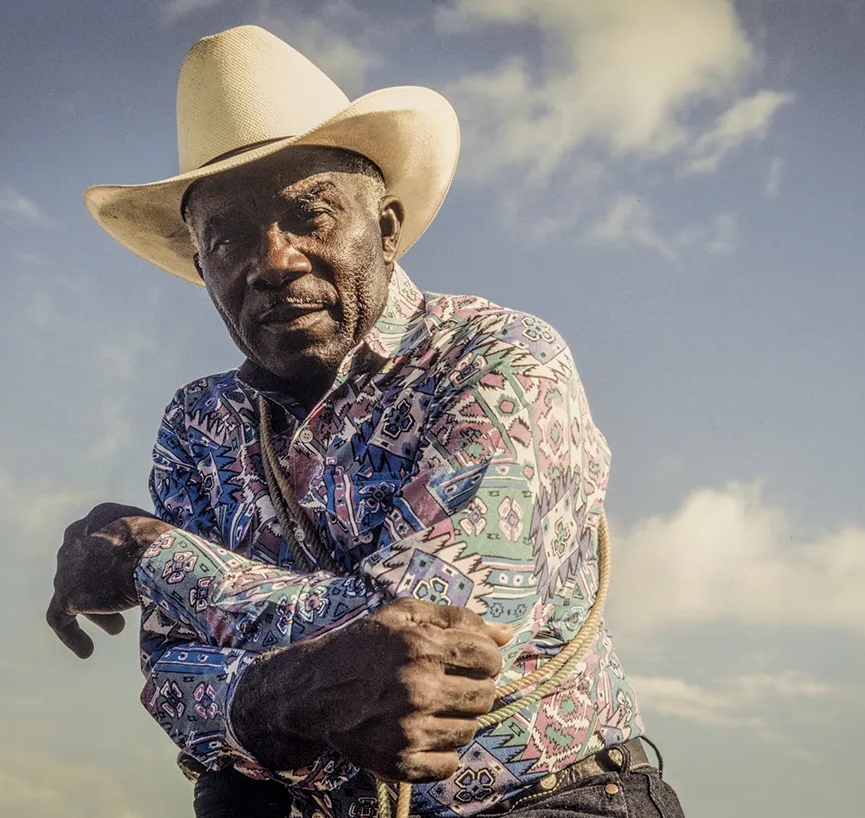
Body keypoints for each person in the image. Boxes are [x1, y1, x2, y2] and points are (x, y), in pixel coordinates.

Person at [46, 25, 685, 818]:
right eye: (230, 238)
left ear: (385, 229)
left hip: (547, 802)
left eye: (310, 216)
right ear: (203, 271)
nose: (274, 260)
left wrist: (149, 555)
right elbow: (175, 683)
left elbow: (430, 642)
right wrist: (287, 693)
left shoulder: (500, 361)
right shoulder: (198, 426)